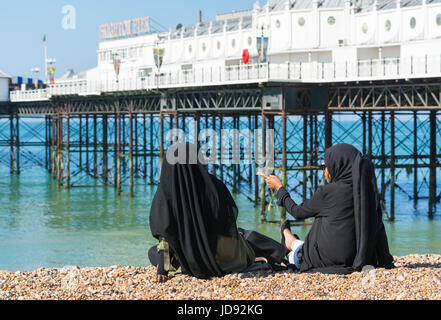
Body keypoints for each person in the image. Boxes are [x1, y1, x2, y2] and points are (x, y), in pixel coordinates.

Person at [263, 143, 394, 274]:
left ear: (338, 166)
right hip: (359, 256)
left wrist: (279, 188)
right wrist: (386, 262)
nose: (324, 170)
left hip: (327, 259)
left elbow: (298, 212)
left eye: (325, 166)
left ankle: (290, 241)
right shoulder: (367, 191)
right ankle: (291, 241)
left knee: (298, 256)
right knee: (325, 219)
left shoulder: (329, 192)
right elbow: (378, 227)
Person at [149, 142, 270, 282]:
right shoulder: (215, 186)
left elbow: (165, 233)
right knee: (243, 237)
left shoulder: (166, 194)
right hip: (227, 260)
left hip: (193, 263)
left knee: (153, 252)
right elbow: (229, 222)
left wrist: (161, 270)